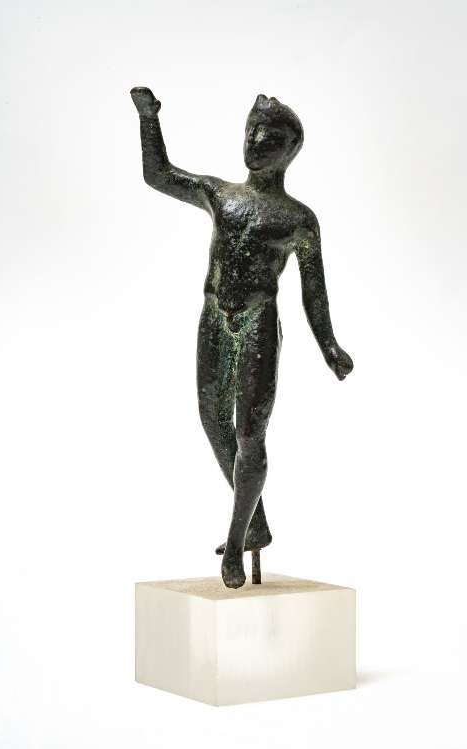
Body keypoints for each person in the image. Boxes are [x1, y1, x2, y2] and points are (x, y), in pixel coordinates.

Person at [131, 88, 353, 588]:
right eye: (251, 131)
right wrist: (149, 118)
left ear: (289, 150)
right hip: (214, 317)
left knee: (250, 434)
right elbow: (158, 174)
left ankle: (236, 545)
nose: (255, 141)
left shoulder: (298, 219)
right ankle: (257, 523)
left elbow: (313, 292)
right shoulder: (221, 195)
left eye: (268, 136)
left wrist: (329, 346)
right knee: (213, 421)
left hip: (257, 322)